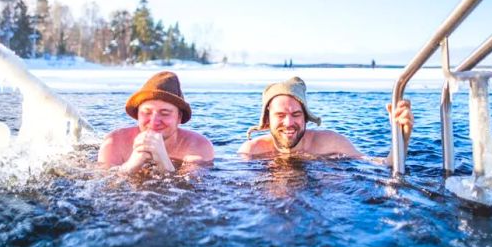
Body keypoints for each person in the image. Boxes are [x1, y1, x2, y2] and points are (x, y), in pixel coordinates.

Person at [238, 76, 413, 166]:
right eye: (281, 115)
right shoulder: (252, 152)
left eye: (297, 114)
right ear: (268, 119)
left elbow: (382, 165)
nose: (289, 122)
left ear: (306, 116)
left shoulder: (332, 142)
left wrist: (401, 138)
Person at [98, 71, 214, 174]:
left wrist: (163, 162)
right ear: (137, 114)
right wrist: (129, 167)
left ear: (179, 117)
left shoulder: (198, 147)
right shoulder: (114, 142)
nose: (154, 121)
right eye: (146, 112)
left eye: (164, 113)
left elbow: (190, 192)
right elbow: (104, 188)